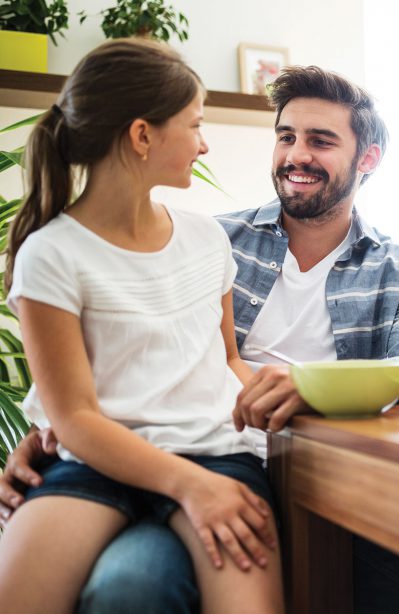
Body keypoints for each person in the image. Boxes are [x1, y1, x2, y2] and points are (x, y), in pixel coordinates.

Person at [1, 65, 399, 613]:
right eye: (286, 137)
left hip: (316, 475)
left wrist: (320, 386)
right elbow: (129, 351)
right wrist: (52, 423)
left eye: (320, 140)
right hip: (200, 454)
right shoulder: (212, 238)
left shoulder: (398, 266)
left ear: (368, 159)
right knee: (134, 586)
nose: (296, 155)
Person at [0, 39, 283, 613]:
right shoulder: (50, 255)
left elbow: (226, 359)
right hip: (97, 465)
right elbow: (74, 416)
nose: (205, 144)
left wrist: (289, 392)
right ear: (142, 136)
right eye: (195, 125)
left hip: (217, 456)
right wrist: (188, 485)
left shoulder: (207, 240)